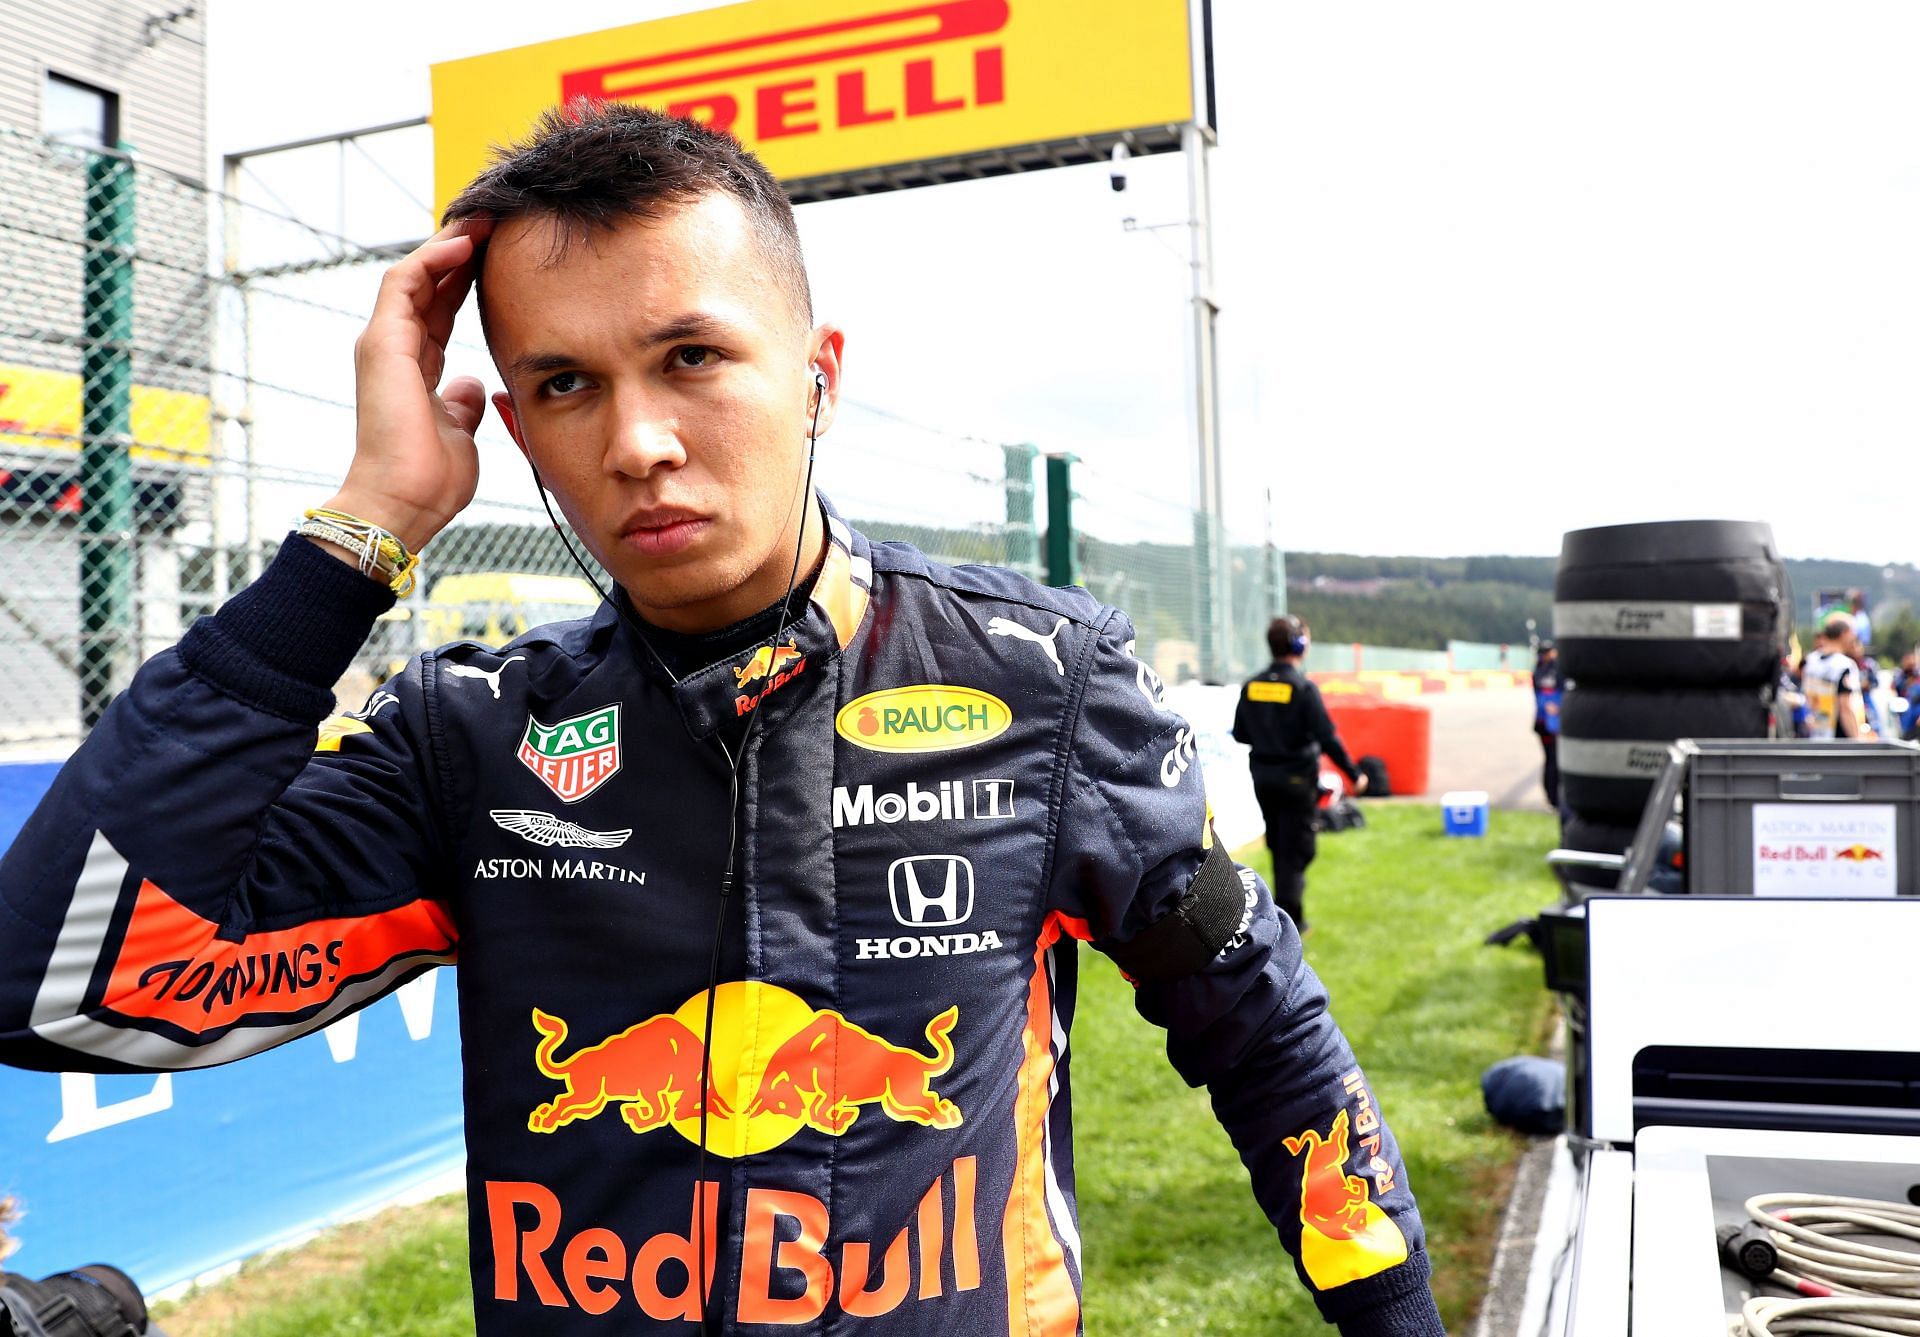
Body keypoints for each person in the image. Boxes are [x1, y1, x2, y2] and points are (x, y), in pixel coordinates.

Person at [0, 105, 1440, 1335]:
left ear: (817, 374)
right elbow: (50, 993)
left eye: (691, 356)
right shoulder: (474, 736)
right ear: (514, 422)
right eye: (566, 384)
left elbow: (1268, 1039)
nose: (635, 442)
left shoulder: (1043, 684)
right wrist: (358, 535)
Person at [1231, 615, 1368, 938]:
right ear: (1299, 645)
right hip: (1296, 781)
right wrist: (1354, 774)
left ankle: (1282, 913)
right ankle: (1289, 925)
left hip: (1264, 778)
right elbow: (1328, 738)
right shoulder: (1303, 688)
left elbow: (1240, 733)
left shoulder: (1252, 686)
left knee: (1281, 847)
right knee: (1297, 851)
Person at [1802, 613, 1864, 739]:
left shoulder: (1811, 661)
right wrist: (1857, 740)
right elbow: (1845, 707)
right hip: (1839, 739)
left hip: (1816, 735)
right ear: (1845, 633)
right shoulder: (1843, 665)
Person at [1531, 640, 1562, 808]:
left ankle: (1552, 795)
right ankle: (1553, 796)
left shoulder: (1541, 670)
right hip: (1548, 724)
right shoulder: (1549, 670)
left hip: (1546, 723)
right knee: (1553, 760)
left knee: (1551, 760)